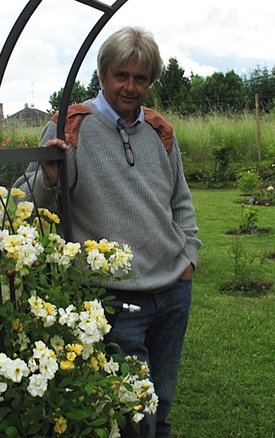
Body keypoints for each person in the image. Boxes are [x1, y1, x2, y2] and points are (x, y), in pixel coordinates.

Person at [16, 26, 200, 438]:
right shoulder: (70, 126)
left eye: (141, 78)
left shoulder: (159, 130)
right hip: (114, 299)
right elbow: (25, 207)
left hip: (172, 290)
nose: (130, 87)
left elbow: (181, 202)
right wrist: (48, 177)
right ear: (102, 74)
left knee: (162, 404)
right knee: (134, 415)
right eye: (121, 76)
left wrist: (189, 257)